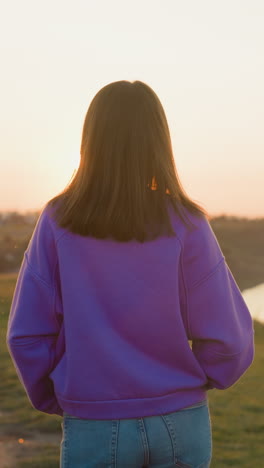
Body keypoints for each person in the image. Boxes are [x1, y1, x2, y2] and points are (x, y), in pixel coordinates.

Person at [6, 80, 254, 468]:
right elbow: (230, 340)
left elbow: (27, 336)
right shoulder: (187, 223)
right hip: (181, 421)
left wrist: (60, 394)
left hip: (93, 422)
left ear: (91, 140)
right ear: (159, 142)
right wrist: (192, 381)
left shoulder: (58, 220)